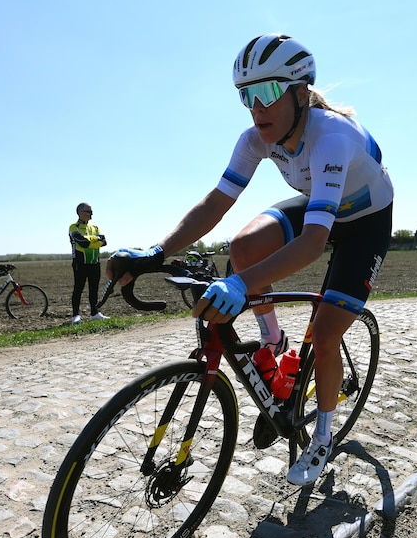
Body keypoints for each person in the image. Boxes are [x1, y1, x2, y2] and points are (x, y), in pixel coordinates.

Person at [106, 33, 394, 487]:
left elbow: (314, 242)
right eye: (245, 96)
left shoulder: (332, 138)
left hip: (364, 225)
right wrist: (157, 252)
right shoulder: (255, 137)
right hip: (320, 206)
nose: (255, 108)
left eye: (266, 93)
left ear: (301, 94)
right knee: (241, 249)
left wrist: (240, 286)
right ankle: (273, 340)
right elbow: (216, 204)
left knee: (324, 330)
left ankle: (322, 435)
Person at [69, 203, 108, 324]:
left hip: (94, 262)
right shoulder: (73, 227)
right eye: (89, 211)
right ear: (80, 212)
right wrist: (95, 240)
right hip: (80, 262)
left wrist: (89, 240)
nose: (91, 214)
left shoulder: (95, 227)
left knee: (94, 288)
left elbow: (104, 241)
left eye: (91, 212)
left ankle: (94, 313)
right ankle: (75, 315)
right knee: (78, 289)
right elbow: (82, 242)